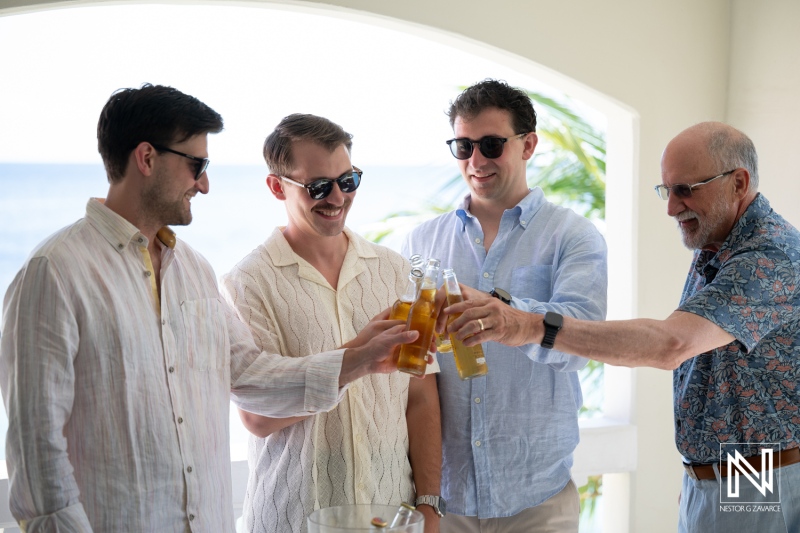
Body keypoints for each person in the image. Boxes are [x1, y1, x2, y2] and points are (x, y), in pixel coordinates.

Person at [0, 85, 416, 532]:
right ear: (146, 158)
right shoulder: (55, 272)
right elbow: (36, 450)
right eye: (196, 165)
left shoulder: (194, 270)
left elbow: (252, 378)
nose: (204, 184)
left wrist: (359, 359)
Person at [444, 121, 800, 532]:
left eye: (686, 190)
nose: (671, 208)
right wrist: (703, 477)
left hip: (756, 477)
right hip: (726, 475)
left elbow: (671, 344)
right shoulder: (719, 243)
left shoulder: (771, 256)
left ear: (738, 183)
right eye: (667, 190)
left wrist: (527, 326)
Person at [401, 79, 608, 532]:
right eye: (463, 146)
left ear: (528, 145)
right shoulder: (420, 242)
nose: (476, 161)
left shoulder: (573, 236)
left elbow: (584, 343)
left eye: (491, 144)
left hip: (538, 499)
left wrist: (506, 314)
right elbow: (412, 368)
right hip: (445, 499)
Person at [220, 113, 442, 533]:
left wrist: (429, 505)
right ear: (277, 187)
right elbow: (257, 418)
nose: (338, 197)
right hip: (293, 521)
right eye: (319, 186)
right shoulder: (246, 282)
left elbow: (421, 395)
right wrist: (358, 357)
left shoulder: (395, 271)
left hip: (390, 519)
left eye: (348, 180)